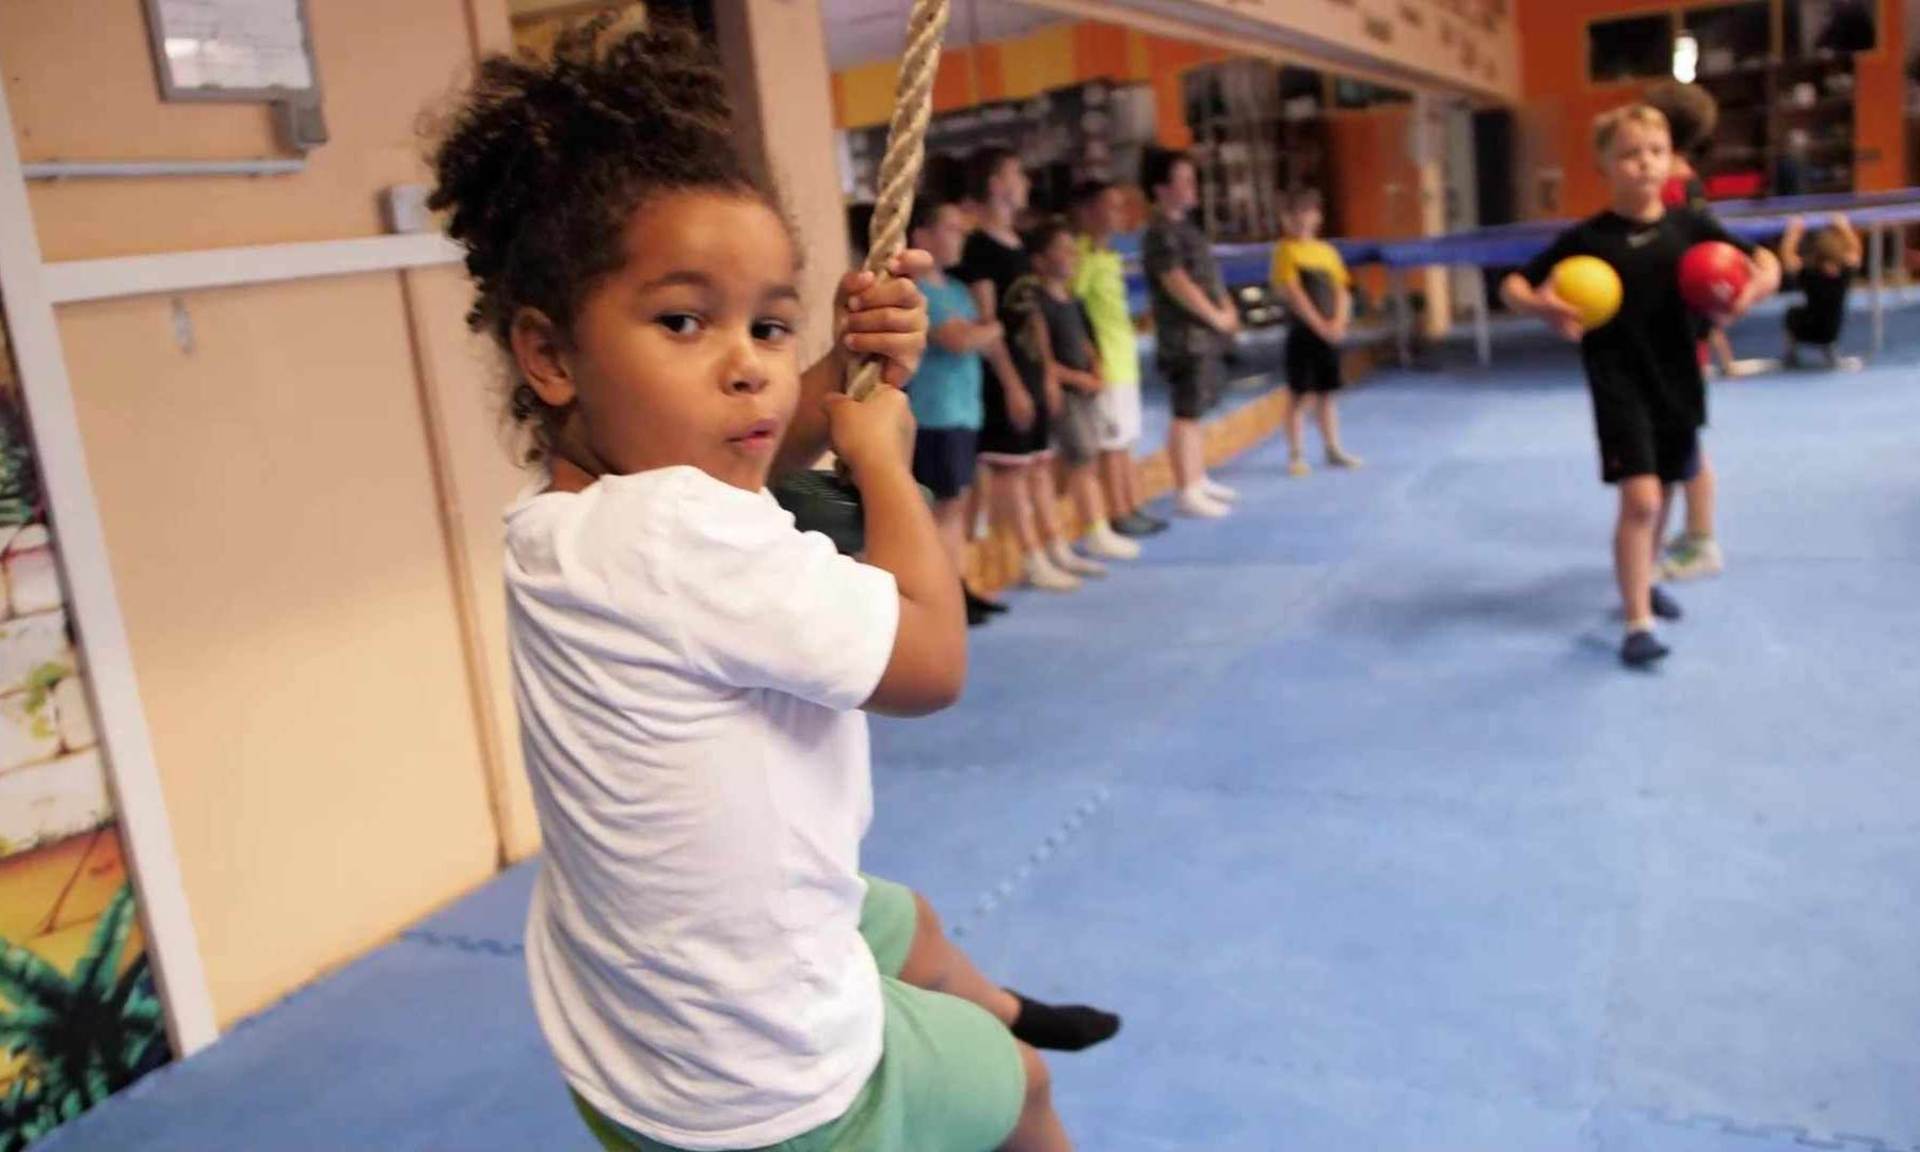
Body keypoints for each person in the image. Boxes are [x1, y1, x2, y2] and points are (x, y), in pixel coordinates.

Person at [430, 21, 1116, 1151]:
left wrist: (839, 367)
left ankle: (986, 1003)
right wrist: (882, 463)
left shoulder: (567, 523)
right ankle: (1004, 1043)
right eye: (684, 321)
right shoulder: (680, 530)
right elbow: (931, 665)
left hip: (625, 1039)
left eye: (769, 322)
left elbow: (746, 432)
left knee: (910, 922)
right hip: (770, 1087)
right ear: (550, 355)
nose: (749, 363)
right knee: (1027, 1087)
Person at [1501, 104, 1778, 668]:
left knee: (1669, 490)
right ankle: (1637, 623)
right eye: (1629, 153)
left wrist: (1756, 288)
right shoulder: (1587, 238)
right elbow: (1512, 285)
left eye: (1655, 151)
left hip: (1679, 380)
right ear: (1603, 163)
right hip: (1618, 383)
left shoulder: (1692, 226)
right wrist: (1539, 306)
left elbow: (1763, 261)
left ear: (1670, 159)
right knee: (1642, 500)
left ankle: (1644, 581)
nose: (1644, 163)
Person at [957, 148, 1100, 589]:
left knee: (1039, 465)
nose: (1026, 184)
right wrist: (1013, 383)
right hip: (1005, 377)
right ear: (997, 185)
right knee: (1012, 471)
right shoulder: (979, 249)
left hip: (1033, 370)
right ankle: (1029, 556)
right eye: (1018, 174)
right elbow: (988, 321)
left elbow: (1032, 314)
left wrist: (1047, 374)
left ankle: (1054, 545)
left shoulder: (1017, 243)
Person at [1644, 80, 1738, 583]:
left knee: (1681, 445)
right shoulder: (1689, 182)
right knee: (1683, 441)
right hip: (1681, 327)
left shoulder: (1670, 191)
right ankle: (1695, 532)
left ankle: (1702, 542)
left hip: (1673, 333)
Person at [1014, 218, 1139, 563]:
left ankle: (1089, 526)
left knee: (1089, 458)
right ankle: (1094, 529)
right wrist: (1076, 379)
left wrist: (1095, 366)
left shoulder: (1071, 298)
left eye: (1072, 248)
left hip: (1086, 389)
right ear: (1040, 261)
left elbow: (1084, 340)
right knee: (1080, 462)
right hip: (1068, 392)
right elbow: (1044, 357)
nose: (1071, 255)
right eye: (1062, 249)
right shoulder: (1038, 303)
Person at [906, 198, 1005, 626]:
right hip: (935, 414)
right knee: (942, 509)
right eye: (950, 229)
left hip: (965, 410)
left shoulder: (958, 291)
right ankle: (944, 596)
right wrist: (993, 326)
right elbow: (958, 340)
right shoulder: (917, 292)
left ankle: (959, 586)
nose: (959, 237)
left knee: (957, 508)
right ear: (922, 237)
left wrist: (983, 330)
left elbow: (974, 336)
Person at [1141, 147, 1242, 519]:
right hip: (1185, 336)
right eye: (1182, 180)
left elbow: (1208, 276)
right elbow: (1176, 281)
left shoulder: (1188, 228)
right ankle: (1185, 488)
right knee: (1185, 411)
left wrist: (1228, 308)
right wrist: (1215, 316)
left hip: (1206, 331)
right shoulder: (1160, 234)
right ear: (1161, 189)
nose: (1191, 187)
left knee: (1197, 410)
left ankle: (1198, 477)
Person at [1070, 180, 1165, 538]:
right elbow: (1072, 308)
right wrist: (1090, 358)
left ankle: (1133, 502)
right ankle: (1118, 510)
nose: (1118, 214)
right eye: (1110, 206)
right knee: (1112, 442)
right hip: (1105, 362)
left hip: (1125, 360)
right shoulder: (1081, 255)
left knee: (1126, 439)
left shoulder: (1109, 255)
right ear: (1088, 212)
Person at [1269, 187, 1362, 476]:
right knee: (1299, 395)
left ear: (1317, 217)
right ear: (1284, 219)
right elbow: (1294, 292)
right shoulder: (1285, 251)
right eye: (1293, 214)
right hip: (1303, 333)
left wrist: (1339, 322)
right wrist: (1319, 325)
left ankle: (1332, 447)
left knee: (1327, 394)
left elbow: (1342, 291)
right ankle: (1296, 454)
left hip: (1330, 332)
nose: (1300, 219)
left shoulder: (1328, 252)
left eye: (1306, 213)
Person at [1779, 213, 1864, 370]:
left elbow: (1787, 257)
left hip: (1806, 331)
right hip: (1832, 333)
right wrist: (1844, 228)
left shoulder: (1809, 274)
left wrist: (1793, 232)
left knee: (1791, 312)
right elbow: (1856, 251)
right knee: (1828, 315)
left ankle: (1791, 354)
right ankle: (1829, 349)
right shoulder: (1845, 274)